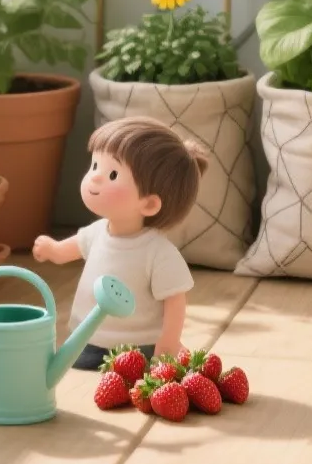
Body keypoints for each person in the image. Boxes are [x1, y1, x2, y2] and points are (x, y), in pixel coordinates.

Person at [31, 117, 207, 371]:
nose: (95, 178)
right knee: (72, 368)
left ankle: (175, 355)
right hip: (87, 340)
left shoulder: (158, 252)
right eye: (94, 166)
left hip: (139, 347)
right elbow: (67, 251)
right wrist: (52, 250)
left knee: (131, 379)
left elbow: (175, 300)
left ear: (149, 204)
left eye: (112, 174)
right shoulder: (97, 233)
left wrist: (168, 342)